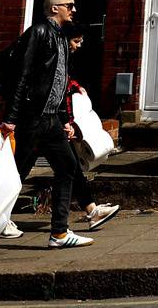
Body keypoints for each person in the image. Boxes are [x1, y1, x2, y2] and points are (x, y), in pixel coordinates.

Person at [0, 0, 94, 262]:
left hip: (50, 121)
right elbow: (22, 77)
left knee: (68, 168)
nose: (73, 10)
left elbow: (57, 83)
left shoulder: (62, 39)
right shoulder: (38, 33)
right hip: (30, 120)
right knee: (7, 179)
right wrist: (11, 119)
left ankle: (59, 234)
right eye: (69, 6)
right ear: (54, 9)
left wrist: (64, 119)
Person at [58, 26, 121, 231]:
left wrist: (75, 86)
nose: (79, 46)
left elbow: (63, 85)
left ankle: (90, 213)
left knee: (70, 167)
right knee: (19, 169)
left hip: (51, 124)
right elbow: (53, 93)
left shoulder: (62, 58)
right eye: (76, 41)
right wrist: (66, 123)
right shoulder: (53, 55)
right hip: (40, 125)